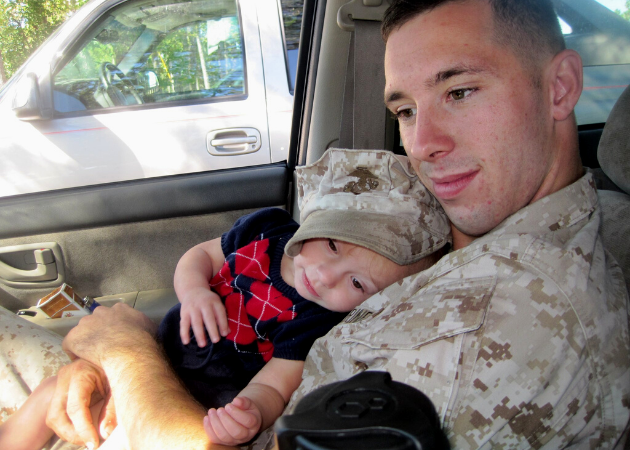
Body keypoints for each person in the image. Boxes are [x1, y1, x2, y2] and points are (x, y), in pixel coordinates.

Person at [1, 0, 629, 448]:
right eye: (406, 109)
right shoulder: (480, 223)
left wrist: (127, 356)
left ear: (560, 87)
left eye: (460, 91)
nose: (425, 143)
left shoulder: (507, 320)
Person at [0, 148, 451, 449]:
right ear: (316, 220)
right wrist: (194, 291)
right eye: (332, 244)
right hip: (160, 351)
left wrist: (250, 412)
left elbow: (276, 383)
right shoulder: (268, 229)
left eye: (357, 285)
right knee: (54, 391)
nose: (327, 277)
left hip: (199, 398)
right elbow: (199, 255)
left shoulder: (315, 324)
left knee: (95, 416)